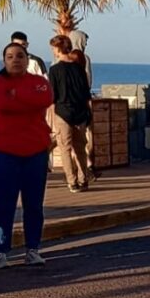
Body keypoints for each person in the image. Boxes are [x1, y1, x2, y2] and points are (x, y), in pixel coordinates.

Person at [0, 42, 54, 269]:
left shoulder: (39, 82)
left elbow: (44, 100)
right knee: (4, 204)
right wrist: (22, 100)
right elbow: (1, 104)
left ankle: (32, 249)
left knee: (34, 204)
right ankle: (1, 252)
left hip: (35, 150)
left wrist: (17, 96)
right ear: (4, 60)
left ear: (27, 59)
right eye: (10, 56)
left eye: (20, 56)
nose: (16, 60)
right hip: (4, 150)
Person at [48, 34, 92, 193]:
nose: (53, 51)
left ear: (58, 48)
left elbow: (52, 96)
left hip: (63, 112)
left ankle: (72, 181)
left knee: (65, 148)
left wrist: (52, 117)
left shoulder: (54, 70)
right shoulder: (79, 69)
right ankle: (83, 179)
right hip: (80, 112)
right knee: (80, 148)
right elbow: (87, 94)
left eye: (53, 48)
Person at [67, 29, 97, 179]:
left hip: (65, 105)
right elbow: (88, 81)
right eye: (84, 40)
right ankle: (86, 166)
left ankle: (75, 169)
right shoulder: (84, 58)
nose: (85, 43)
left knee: (70, 139)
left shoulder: (60, 58)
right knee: (83, 137)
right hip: (81, 104)